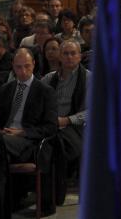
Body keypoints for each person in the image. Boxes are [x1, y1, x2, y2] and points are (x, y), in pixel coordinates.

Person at [0, 48, 58, 215]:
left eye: (27, 66)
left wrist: (22, 133)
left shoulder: (45, 91)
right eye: (18, 67)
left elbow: (51, 127)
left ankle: (0, 205)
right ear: (12, 66)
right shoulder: (6, 89)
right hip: (4, 137)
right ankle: (2, 203)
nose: (22, 71)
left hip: (29, 141)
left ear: (34, 65)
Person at [42, 39, 89, 204]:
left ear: (80, 56)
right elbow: (38, 101)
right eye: (65, 54)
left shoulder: (89, 78)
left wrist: (68, 120)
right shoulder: (49, 78)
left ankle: (56, 193)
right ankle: (46, 192)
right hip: (51, 126)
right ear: (59, 57)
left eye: (73, 53)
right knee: (47, 143)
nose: (69, 57)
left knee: (56, 144)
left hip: (77, 127)